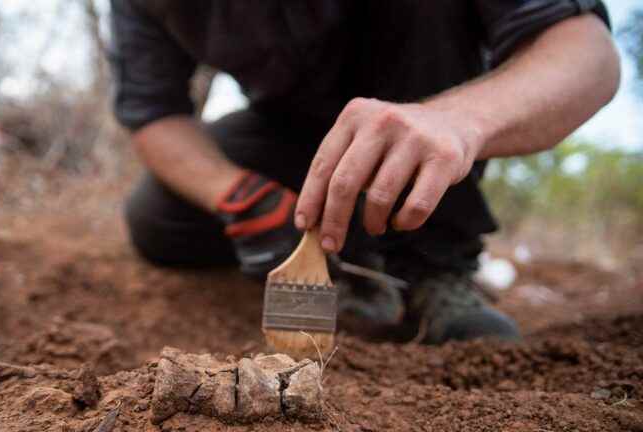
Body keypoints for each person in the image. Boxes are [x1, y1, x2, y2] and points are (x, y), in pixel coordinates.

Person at [109, 1, 620, 344]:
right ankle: (340, 268)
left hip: (434, 104)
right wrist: (237, 194)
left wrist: (459, 121)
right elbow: (154, 112)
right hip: (287, 128)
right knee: (158, 217)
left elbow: (587, 54)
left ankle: (433, 265)